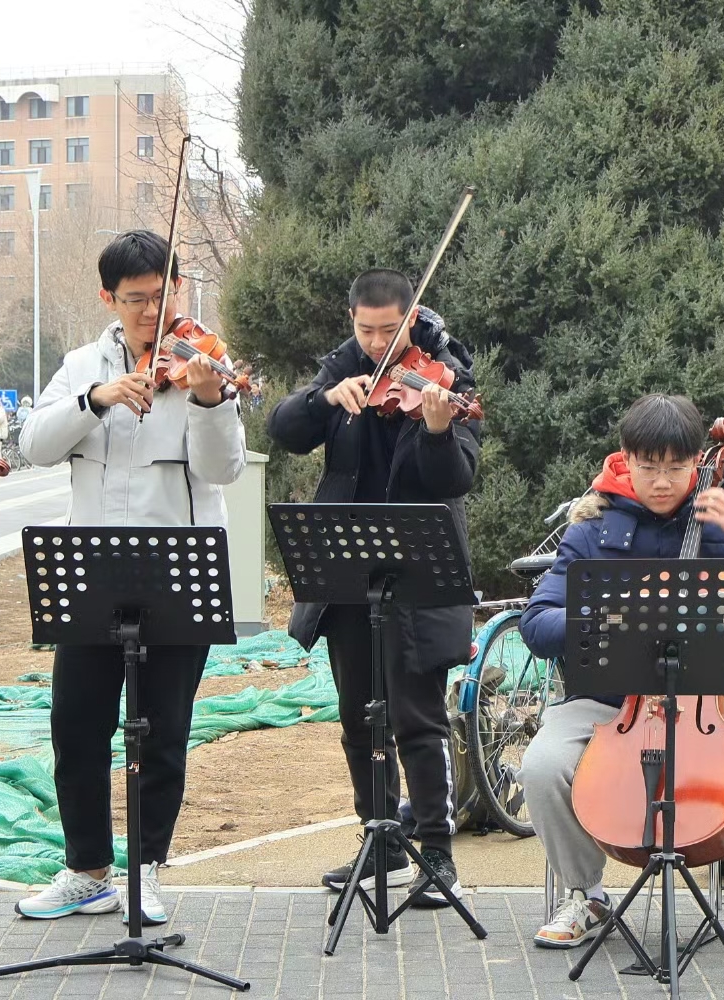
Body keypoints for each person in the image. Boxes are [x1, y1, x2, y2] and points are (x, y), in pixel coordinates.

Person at [517, 394, 724, 954]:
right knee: (541, 766)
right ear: (625, 458)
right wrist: (606, 615)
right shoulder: (591, 531)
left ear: (697, 461)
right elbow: (536, 623)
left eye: (676, 467)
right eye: (648, 466)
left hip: (708, 702)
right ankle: (586, 896)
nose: (661, 481)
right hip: (607, 704)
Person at [14, 229, 246, 923]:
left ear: (180, 289)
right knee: (76, 726)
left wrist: (210, 401)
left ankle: (146, 871)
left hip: (178, 570)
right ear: (108, 298)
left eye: (162, 295)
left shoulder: (202, 362)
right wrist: (95, 398)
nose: (152, 312)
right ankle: (87, 870)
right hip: (92, 571)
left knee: (162, 731)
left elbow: (223, 469)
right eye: (136, 299)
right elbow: (33, 445)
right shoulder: (81, 365)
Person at [266, 269, 480, 904]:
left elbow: (456, 479)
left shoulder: (447, 376)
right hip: (348, 570)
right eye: (367, 331)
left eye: (390, 330)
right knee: (360, 717)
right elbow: (284, 429)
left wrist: (438, 431)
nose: (379, 344)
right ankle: (380, 840)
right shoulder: (342, 368)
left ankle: (437, 854)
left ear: (411, 319)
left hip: (420, 567)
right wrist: (324, 400)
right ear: (352, 321)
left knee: (417, 718)